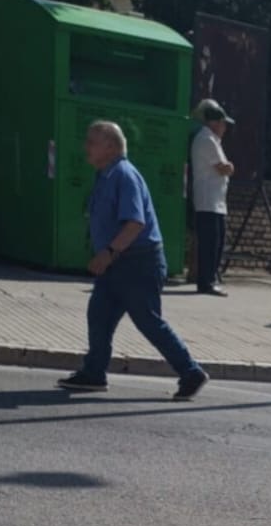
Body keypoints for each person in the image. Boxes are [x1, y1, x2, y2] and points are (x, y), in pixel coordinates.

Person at [58, 121, 209, 400]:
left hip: (138, 262)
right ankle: (94, 373)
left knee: (148, 321)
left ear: (111, 147)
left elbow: (135, 223)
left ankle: (191, 372)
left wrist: (108, 253)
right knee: (99, 314)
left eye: (93, 141)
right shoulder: (106, 175)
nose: (86, 147)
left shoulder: (124, 175)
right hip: (119, 263)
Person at [188, 99, 235, 297]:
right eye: (224, 123)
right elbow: (224, 168)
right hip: (208, 201)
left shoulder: (213, 140)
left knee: (217, 242)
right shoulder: (206, 139)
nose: (225, 128)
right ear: (215, 122)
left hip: (216, 201)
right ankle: (206, 282)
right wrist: (230, 167)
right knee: (209, 244)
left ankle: (210, 279)